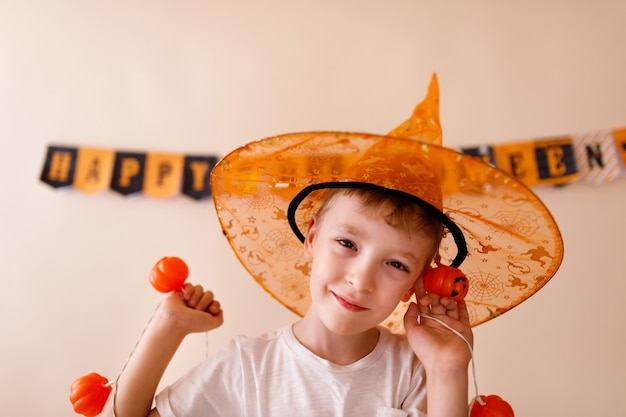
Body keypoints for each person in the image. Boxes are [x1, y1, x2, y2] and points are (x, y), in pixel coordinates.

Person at [101, 75, 563, 417]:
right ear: (312, 237)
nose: (361, 277)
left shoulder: (413, 370)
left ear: (415, 286)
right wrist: (168, 327)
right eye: (347, 242)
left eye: (396, 264)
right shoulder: (248, 367)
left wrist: (447, 369)